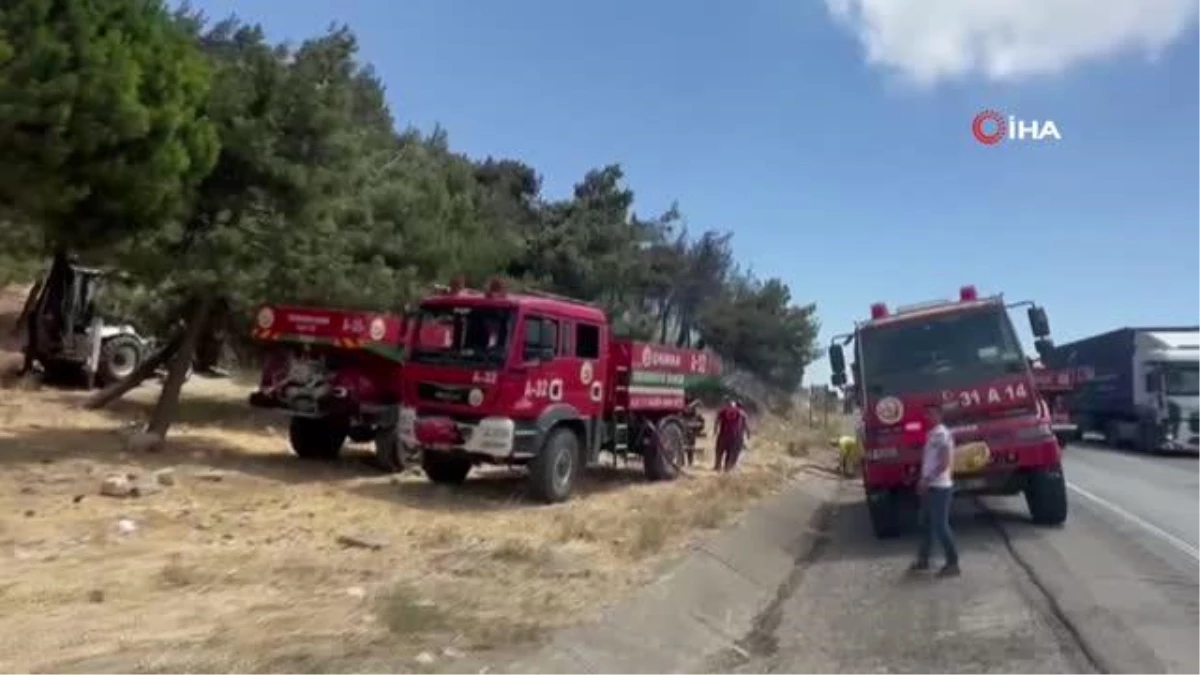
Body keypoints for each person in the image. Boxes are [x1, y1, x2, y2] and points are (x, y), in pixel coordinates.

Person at [912, 402, 960, 577]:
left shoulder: (942, 434)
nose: (928, 417)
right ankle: (923, 560)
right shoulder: (932, 434)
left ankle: (953, 563)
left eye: (932, 414)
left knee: (941, 526)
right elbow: (930, 461)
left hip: (939, 487)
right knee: (925, 523)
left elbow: (944, 462)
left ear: (940, 415)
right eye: (927, 414)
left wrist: (927, 479)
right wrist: (923, 480)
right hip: (930, 485)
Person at [713, 398, 750, 472]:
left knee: (724, 452)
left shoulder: (739, 414)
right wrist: (715, 429)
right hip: (727, 435)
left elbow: (744, 425)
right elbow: (717, 421)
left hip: (730, 436)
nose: (731, 409)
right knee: (721, 452)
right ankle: (721, 467)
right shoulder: (740, 413)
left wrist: (715, 429)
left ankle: (724, 467)